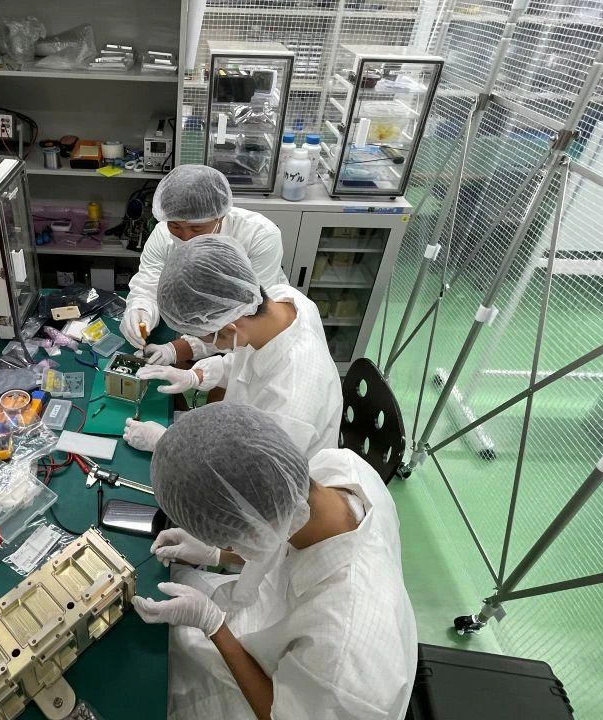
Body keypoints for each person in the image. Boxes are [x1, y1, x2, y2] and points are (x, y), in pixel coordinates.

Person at [132, 403, 417, 720]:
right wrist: (216, 554)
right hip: (271, 616)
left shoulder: (341, 653)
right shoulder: (338, 468)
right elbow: (276, 527)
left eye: (224, 538)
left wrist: (214, 626)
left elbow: (279, 714)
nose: (224, 544)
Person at [123, 235, 341, 457]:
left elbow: (249, 475)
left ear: (230, 329)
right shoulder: (280, 301)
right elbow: (245, 363)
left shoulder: (291, 404)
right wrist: (195, 375)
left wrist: (167, 443)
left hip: (280, 474)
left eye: (204, 337)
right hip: (247, 429)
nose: (203, 343)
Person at [120, 164, 288, 364]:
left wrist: (180, 350)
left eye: (196, 228)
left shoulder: (259, 236)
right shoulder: (162, 235)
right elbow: (149, 283)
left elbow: (248, 317)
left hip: (245, 338)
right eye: (174, 225)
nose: (186, 237)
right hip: (196, 326)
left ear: (220, 216)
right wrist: (141, 310)